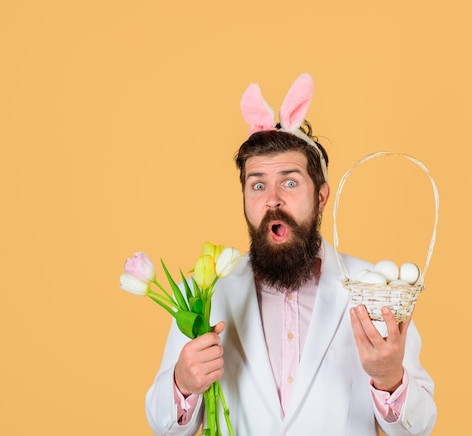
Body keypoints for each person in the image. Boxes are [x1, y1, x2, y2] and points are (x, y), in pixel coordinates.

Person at [145, 74, 437, 435]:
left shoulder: (374, 289)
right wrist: (183, 384)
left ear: (321, 196)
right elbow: (163, 427)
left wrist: (391, 379)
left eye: (290, 181)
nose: (272, 200)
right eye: (257, 185)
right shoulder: (204, 293)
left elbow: (417, 429)